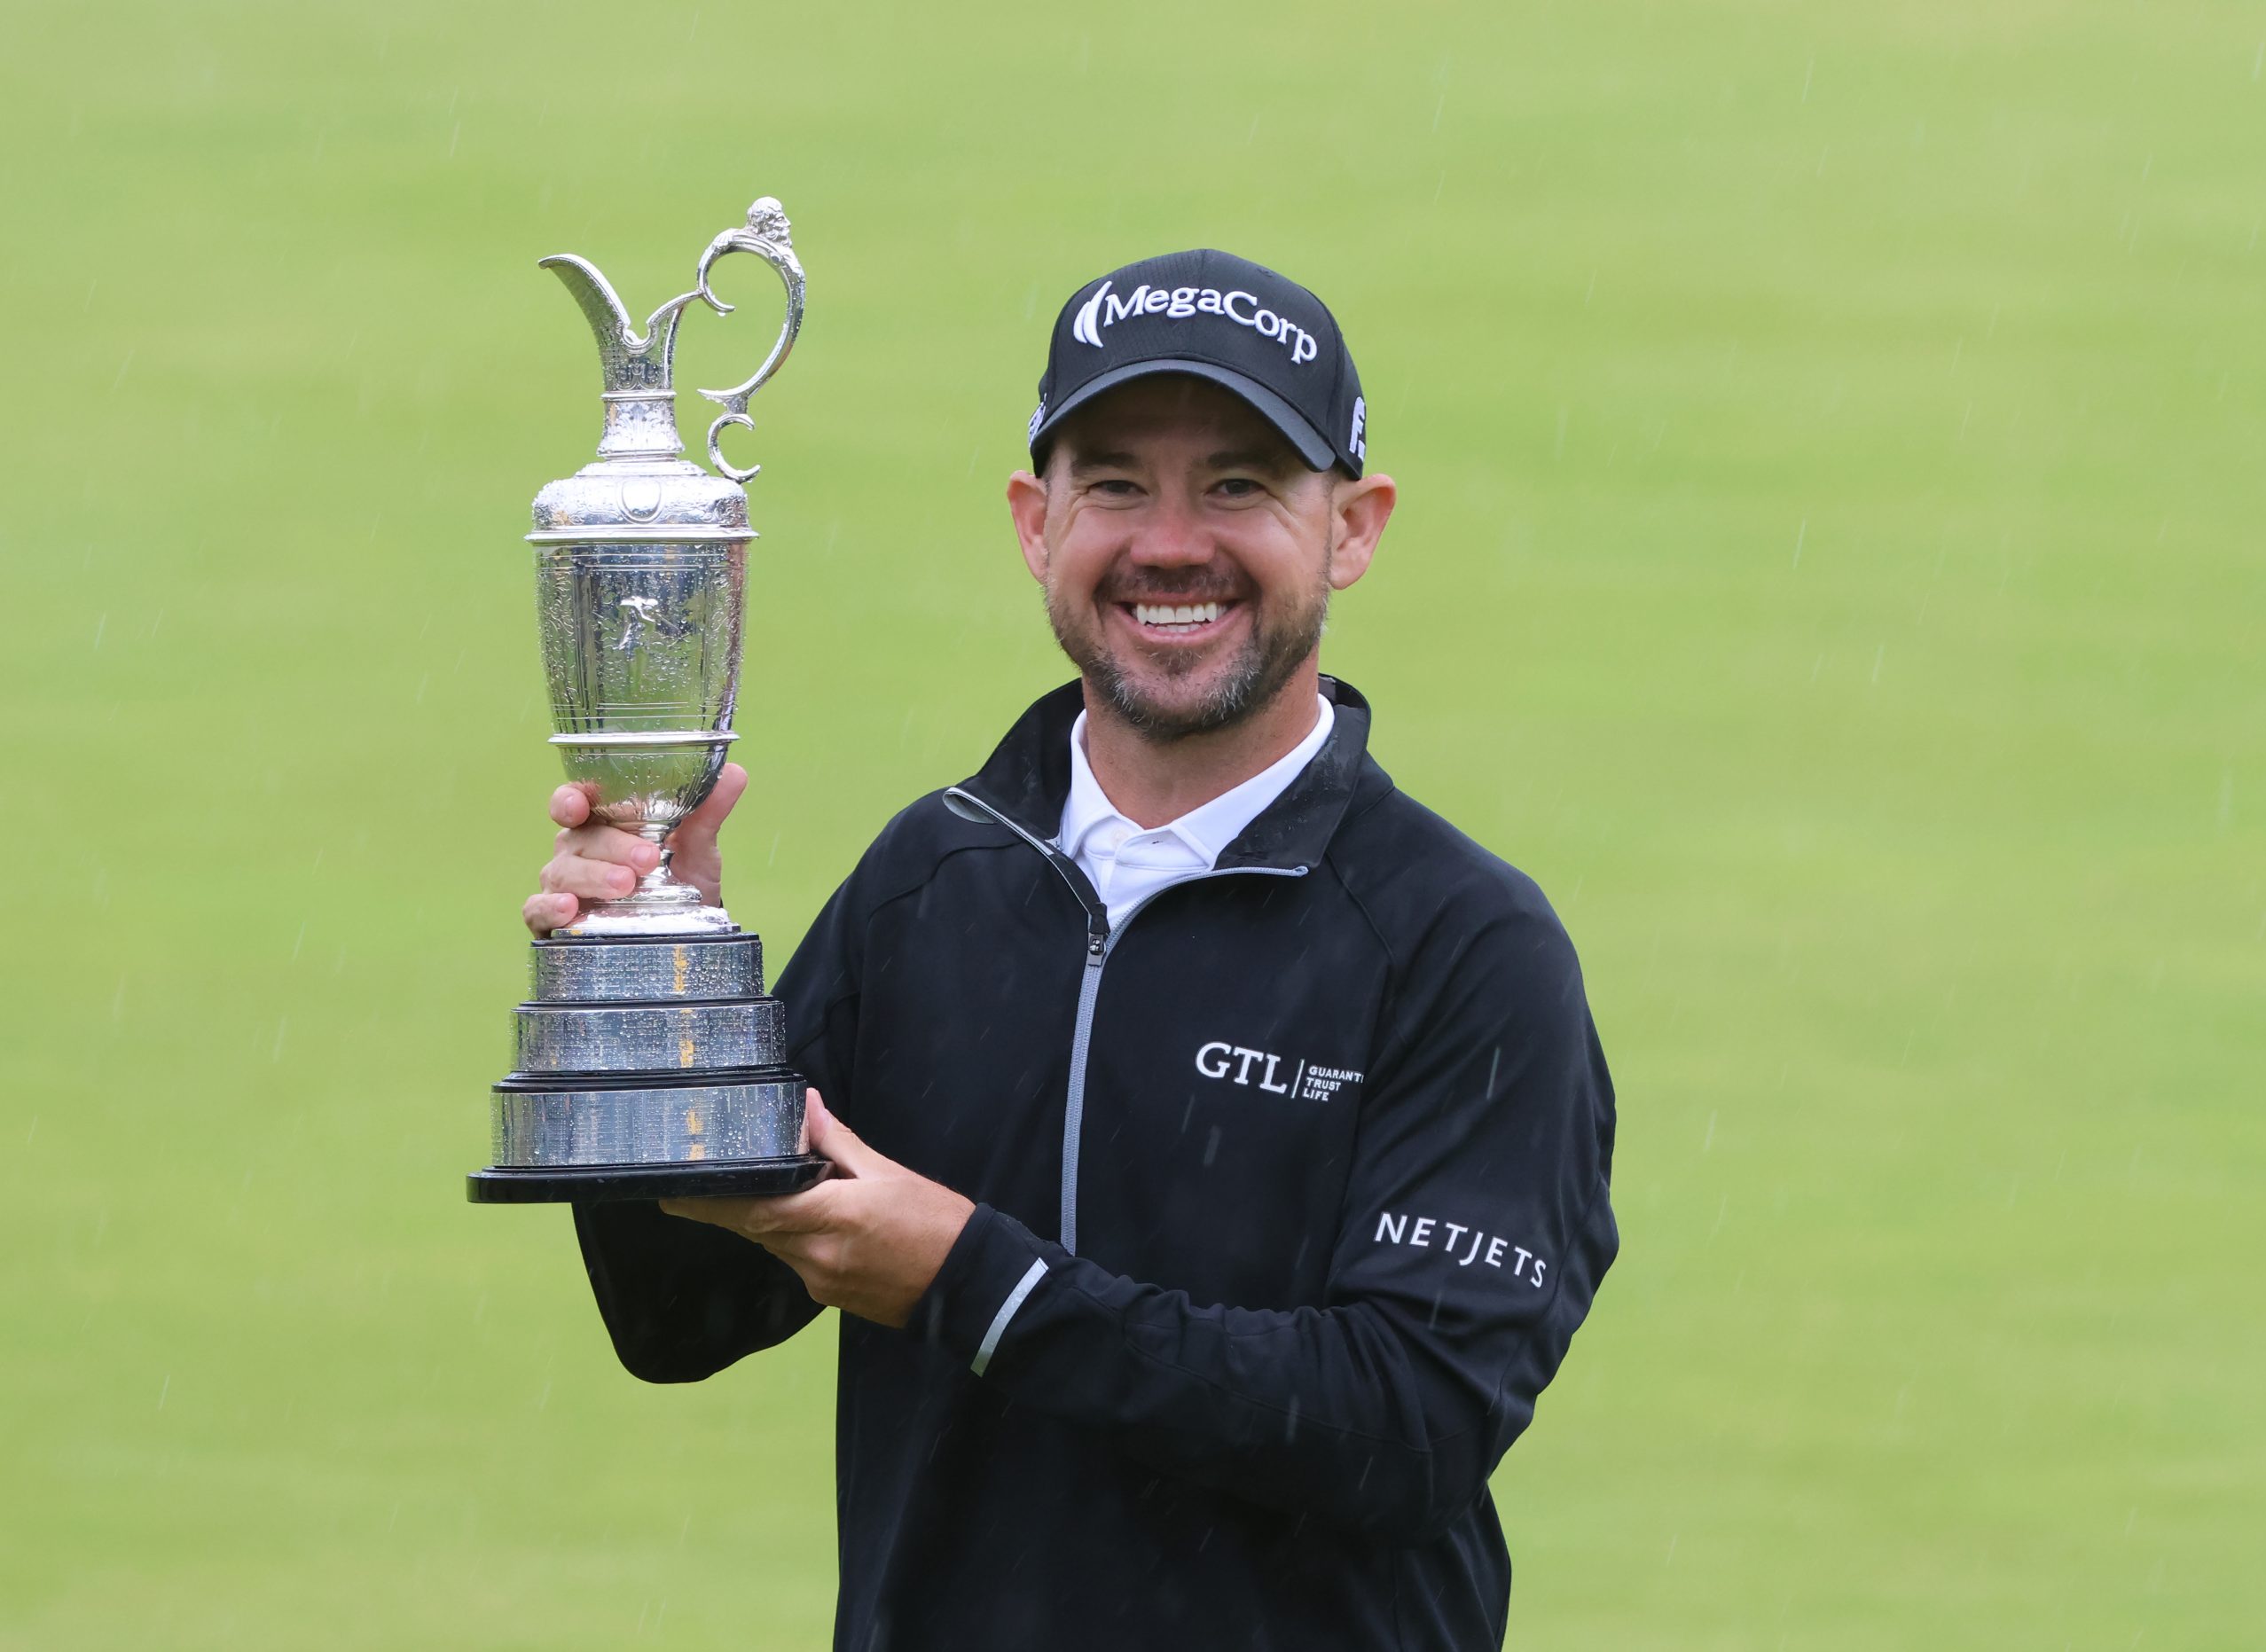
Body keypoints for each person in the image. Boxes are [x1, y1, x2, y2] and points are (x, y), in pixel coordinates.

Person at [526, 249, 1619, 1651]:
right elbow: (680, 1316)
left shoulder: (1463, 947)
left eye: (1238, 485)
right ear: (1037, 523)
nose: (1172, 543)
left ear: (1353, 527)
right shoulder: (935, 882)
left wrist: (975, 1282)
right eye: (1115, 484)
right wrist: (649, 1004)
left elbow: (1404, 1427)